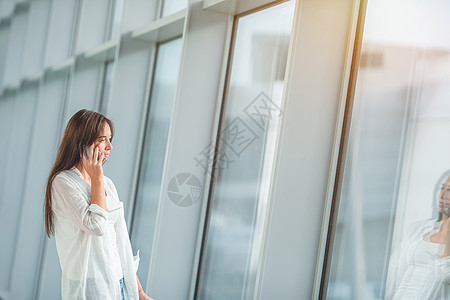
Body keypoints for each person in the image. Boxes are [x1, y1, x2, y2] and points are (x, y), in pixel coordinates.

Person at [44, 109, 154, 300]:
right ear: (82, 142)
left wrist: (138, 291)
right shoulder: (63, 182)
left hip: (119, 282)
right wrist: (97, 178)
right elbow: (97, 226)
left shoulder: (107, 184)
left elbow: (119, 241)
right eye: (103, 140)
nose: (110, 147)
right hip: (92, 288)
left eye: (110, 139)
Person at [386, 170, 450, 299]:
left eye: (449, 191)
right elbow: (394, 271)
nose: (443, 195)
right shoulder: (419, 228)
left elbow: (442, 275)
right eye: (442, 188)